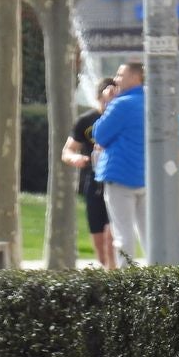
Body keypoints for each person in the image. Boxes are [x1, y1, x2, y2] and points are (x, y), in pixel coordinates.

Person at [93, 61, 146, 267]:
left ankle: (127, 282)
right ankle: (161, 274)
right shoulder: (153, 101)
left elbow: (100, 134)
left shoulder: (121, 104)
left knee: (123, 233)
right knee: (148, 232)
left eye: (120, 75)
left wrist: (108, 103)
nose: (116, 79)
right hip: (146, 176)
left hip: (120, 175)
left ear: (135, 77)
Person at [62, 77, 116, 269]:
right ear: (98, 98)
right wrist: (75, 158)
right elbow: (67, 150)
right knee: (100, 244)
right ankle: (107, 271)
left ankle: (116, 278)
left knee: (111, 237)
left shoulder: (122, 120)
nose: (108, 104)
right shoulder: (86, 121)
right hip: (92, 182)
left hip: (116, 182)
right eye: (104, 100)